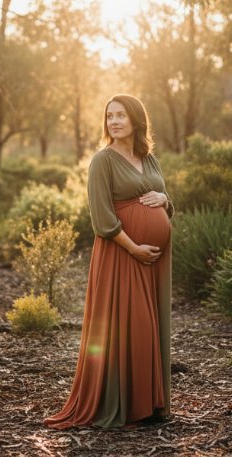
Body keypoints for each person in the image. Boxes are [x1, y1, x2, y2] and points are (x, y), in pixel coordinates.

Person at [44, 94, 173, 429]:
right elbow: (101, 219)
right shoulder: (102, 160)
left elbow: (160, 200)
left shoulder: (149, 158)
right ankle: (129, 406)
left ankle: (151, 404)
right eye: (109, 116)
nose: (114, 121)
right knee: (134, 325)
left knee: (150, 326)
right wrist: (135, 249)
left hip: (153, 261)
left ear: (135, 120)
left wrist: (166, 200)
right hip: (122, 255)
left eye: (121, 115)